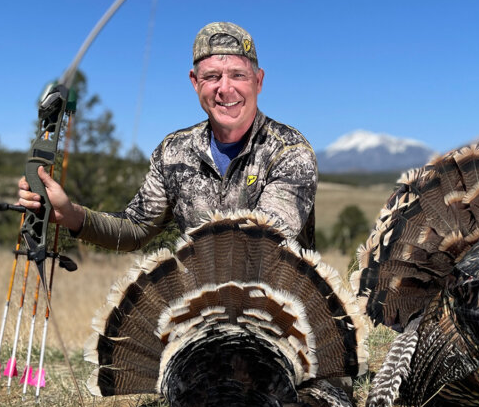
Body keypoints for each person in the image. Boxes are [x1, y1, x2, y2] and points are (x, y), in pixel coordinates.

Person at [17, 21, 317, 250]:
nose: (225, 89)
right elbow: (136, 228)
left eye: (238, 75)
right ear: (194, 82)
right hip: (201, 305)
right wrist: (70, 214)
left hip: (279, 306)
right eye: (212, 76)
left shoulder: (289, 152)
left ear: (258, 81)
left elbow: (265, 243)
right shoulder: (174, 152)